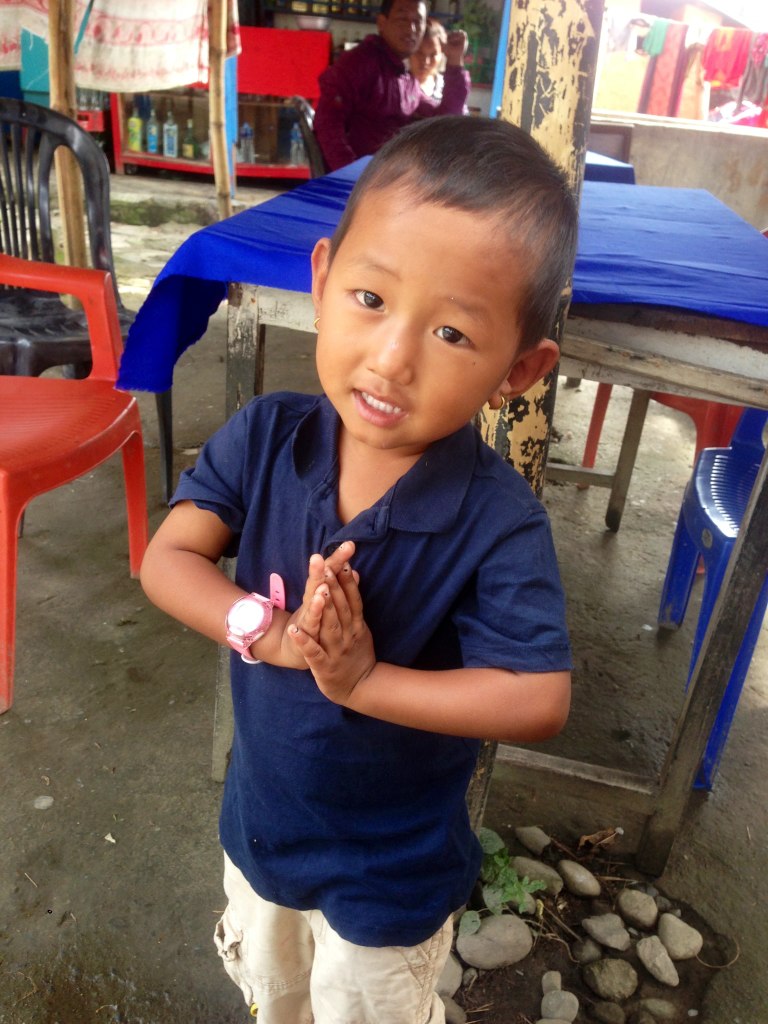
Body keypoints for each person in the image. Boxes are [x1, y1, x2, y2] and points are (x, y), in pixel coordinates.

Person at [140, 116, 577, 1024]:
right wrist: (268, 634)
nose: (391, 358)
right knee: (275, 996)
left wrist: (363, 681)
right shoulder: (266, 437)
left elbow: (537, 697)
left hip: (392, 878)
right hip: (263, 831)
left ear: (520, 369)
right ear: (323, 277)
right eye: (370, 298)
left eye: (452, 333)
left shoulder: (497, 521)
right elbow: (168, 559)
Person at [313, 0, 470, 171]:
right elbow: (327, 123)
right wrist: (350, 175)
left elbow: (444, 120)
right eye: (402, 19)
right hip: (362, 178)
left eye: (418, 22)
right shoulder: (358, 63)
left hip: (388, 175)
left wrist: (455, 61)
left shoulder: (404, 76)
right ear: (382, 23)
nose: (411, 29)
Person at [411, 17, 447, 99]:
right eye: (419, 52)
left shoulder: (446, 88)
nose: (425, 61)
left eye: (433, 54)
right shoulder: (396, 84)